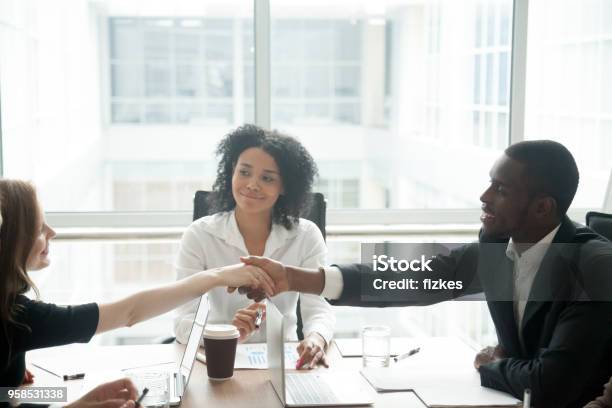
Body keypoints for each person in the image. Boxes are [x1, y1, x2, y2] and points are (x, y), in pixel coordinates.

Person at [239, 140, 612, 408]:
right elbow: (415, 277)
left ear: (542, 208)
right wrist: (294, 278)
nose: (484, 196)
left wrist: (494, 365)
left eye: (500, 189)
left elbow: (551, 386)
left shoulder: (593, 266)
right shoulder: (501, 243)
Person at [0, 179, 274, 388]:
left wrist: (15, 383)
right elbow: (130, 312)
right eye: (39, 228)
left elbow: (6, 398)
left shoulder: (14, 313)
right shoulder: (16, 317)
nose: (52, 232)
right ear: (10, 242)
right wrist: (218, 276)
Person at [173, 125, 334, 369]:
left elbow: (319, 309)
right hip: (219, 361)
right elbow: (183, 321)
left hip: (286, 362)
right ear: (231, 173)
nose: (252, 185)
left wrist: (316, 337)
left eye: (267, 178)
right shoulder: (199, 235)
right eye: (244, 172)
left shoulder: (307, 235)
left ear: (285, 186)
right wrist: (226, 332)